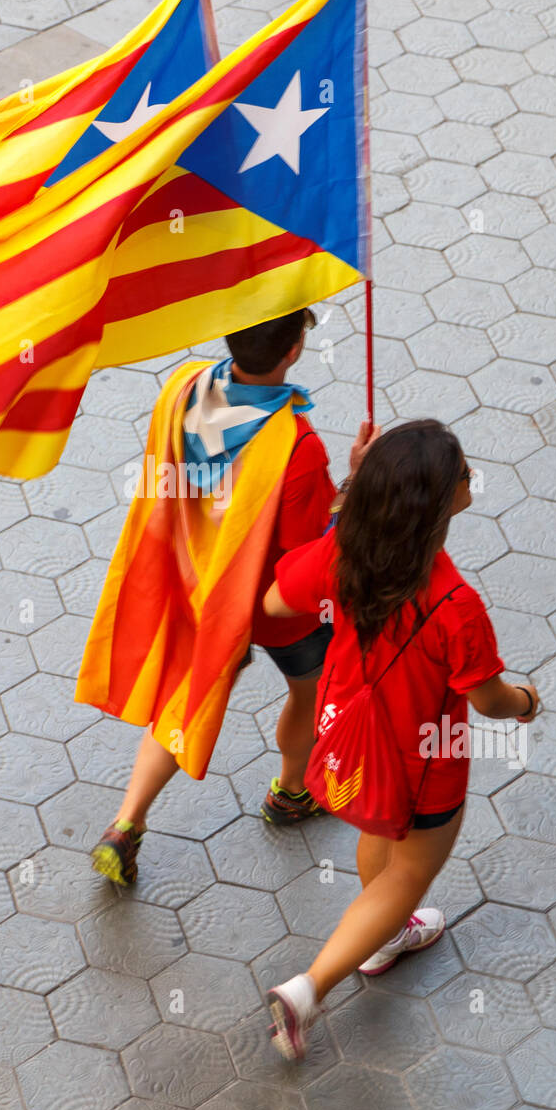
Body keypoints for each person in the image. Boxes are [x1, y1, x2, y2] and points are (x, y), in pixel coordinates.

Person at [262, 419, 540, 1061]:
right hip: (425, 762)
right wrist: (527, 702)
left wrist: (346, 499)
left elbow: (278, 601)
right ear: (441, 504)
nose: (470, 480)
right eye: (464, 475)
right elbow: (489, 699)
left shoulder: (344, 554)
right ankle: (308, 989)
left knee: (379, 838)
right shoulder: (456, 605)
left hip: (352, 744)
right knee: (409, 872)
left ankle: (385, 937)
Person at [76, 307, 378, 886]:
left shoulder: (185, 385)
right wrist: (353, 485)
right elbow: (305, 553)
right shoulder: (296, 444)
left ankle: (126, 824)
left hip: (199, 585)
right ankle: (291, 794)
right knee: (308, 692)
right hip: (273, 611)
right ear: (292, 352)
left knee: (186, 698)